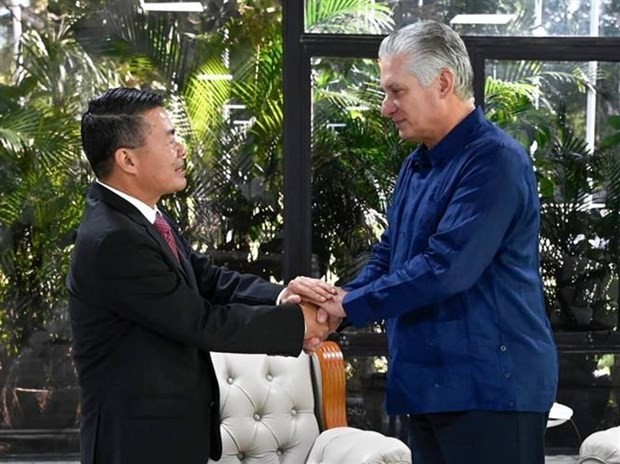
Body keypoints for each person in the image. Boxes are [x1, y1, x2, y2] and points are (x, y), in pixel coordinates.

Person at [315, 20, 558, 464]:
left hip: (490, 389)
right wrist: (341, 299)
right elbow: (392, 252)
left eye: (396, 91)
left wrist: (349, 305)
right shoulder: (416, 165)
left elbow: (447, 268)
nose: (386, 107)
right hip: (427, 385)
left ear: (443, 82)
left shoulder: (495, 161)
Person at [66, 87, 334, 464]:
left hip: (168, 436)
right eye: (170, 138)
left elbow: (206, 279)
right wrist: (298, 324)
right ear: (127, 159)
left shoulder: (143, 218)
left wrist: (282, 296)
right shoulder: (113, 239)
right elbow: (198, 320)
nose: (181, 149)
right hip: (137, 445)